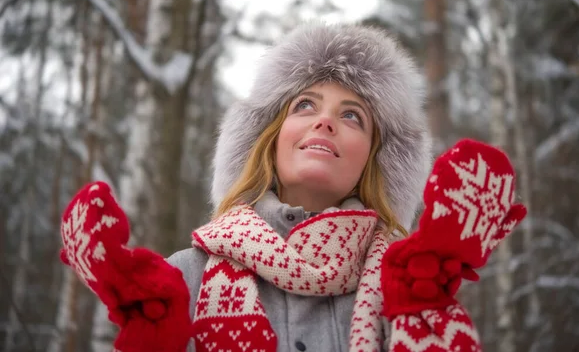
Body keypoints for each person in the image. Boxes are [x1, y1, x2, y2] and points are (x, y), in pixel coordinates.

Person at [59, 22, 527, 352]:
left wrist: (425, 303)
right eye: (305, 105)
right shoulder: (185, 277)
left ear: (372, 159)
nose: (325, 120)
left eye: (351, 115)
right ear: (269, 141)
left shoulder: (407, 283)